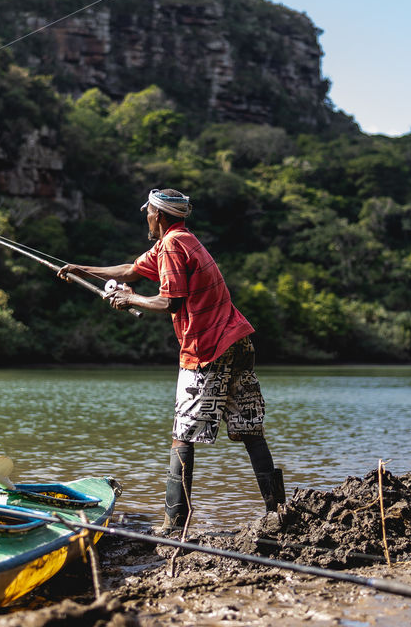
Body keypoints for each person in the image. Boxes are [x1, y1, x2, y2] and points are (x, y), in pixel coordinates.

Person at [59, 188, 285, 536]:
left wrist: (130, 299)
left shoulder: (172, 246)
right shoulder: (182, 239)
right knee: (250, 430)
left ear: (159, 216)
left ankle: (173, 525)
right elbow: (130, 270)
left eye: (148, 213)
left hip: (207, 348)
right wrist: (82, 269)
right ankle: (279, 512)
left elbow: (170, 302)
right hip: (238, 342)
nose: (146, 218)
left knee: (182, 436)